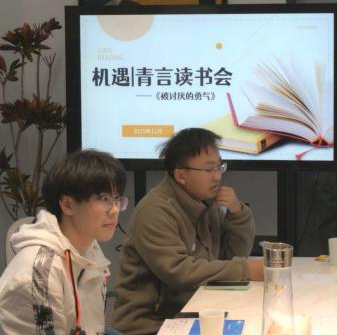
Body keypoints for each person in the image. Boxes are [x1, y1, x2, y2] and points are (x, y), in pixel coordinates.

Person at [112, 128, 263, 335]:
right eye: (209, 170)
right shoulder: (155, 210)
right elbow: (178, 271)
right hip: (150, 325)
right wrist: (245, 269)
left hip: (194, 311)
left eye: (219, 167)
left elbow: (230, 257)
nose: (217, 176)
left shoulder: (206, 203)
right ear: (181, 176)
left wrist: (237, 213)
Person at [0, 149, 127, 335]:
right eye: (104, 199)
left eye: (116, 199)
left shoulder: (89, 249)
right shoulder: (39, 274)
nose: (114, 210)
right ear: (67, 204)